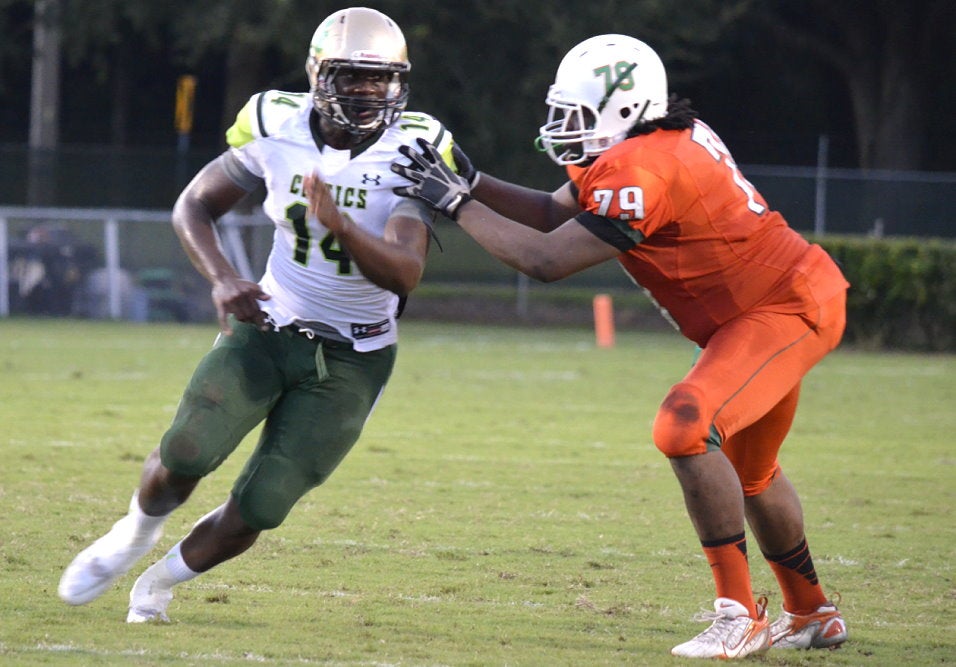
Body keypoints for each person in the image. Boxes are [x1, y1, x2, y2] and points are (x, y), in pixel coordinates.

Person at [391, 34, 849, 659]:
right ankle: (812, 613)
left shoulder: (644, 167)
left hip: (783, 309)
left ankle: (739, 615)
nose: (561, 129)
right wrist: (471, 181)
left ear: (625, 110)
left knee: (683, 428)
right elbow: (552, 215)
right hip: (764, 309)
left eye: (576, 116)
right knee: (751, 473)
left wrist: (457, 204)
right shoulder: (639, 147)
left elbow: (547, 259)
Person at [58, 7, 457, 623]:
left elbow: (405, 273)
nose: (368, 91)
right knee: (187, 450)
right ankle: (133, 534)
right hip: (271, 322)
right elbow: (195, 204)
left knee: (265, 504)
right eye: (353, 76)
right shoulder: (277, 123)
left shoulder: (417, 146)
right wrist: (222, 279)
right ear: (319, 75)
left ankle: (158, 584)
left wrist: (341, 223)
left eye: (381, 78)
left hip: (357, 354)